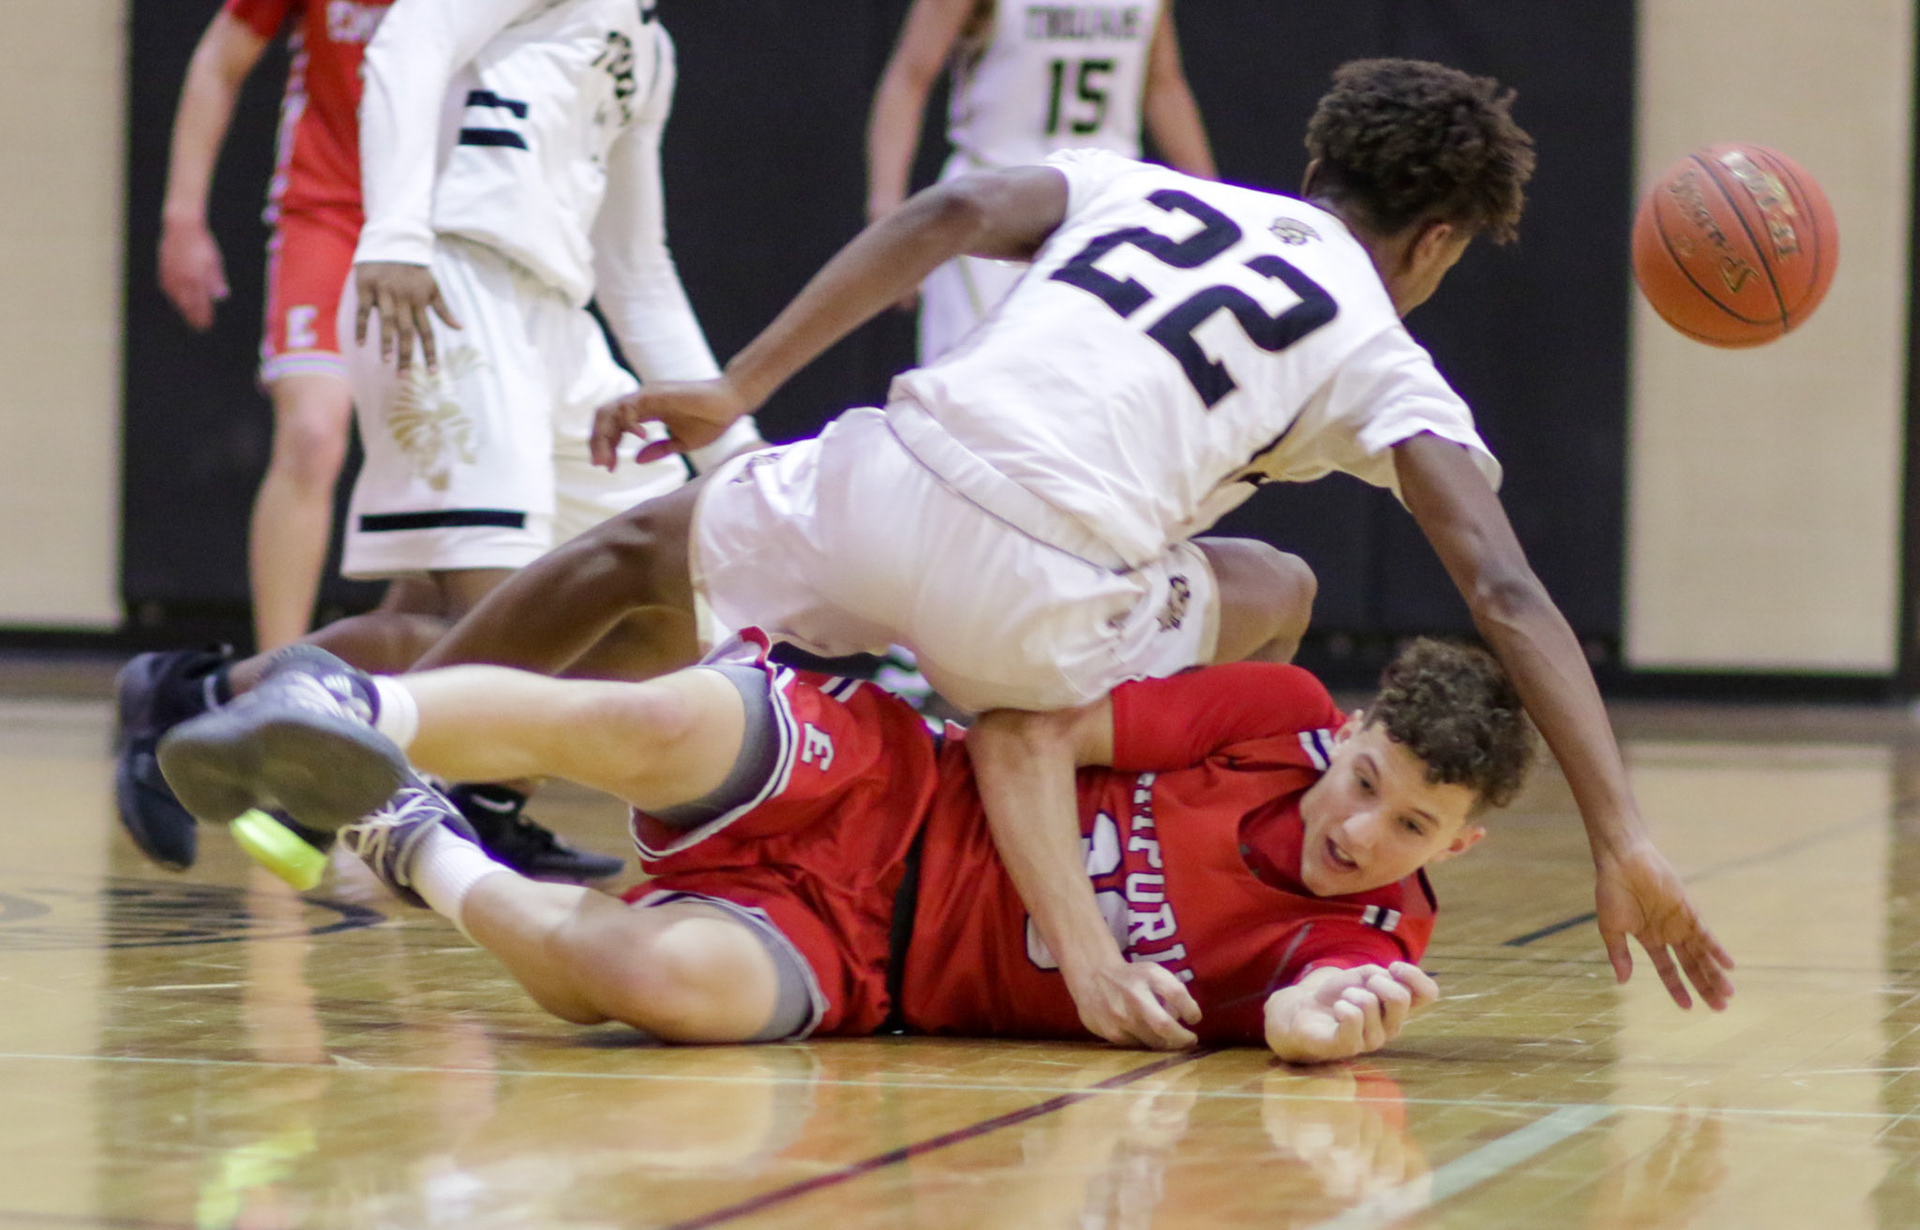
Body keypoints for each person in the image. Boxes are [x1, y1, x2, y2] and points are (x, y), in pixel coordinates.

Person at [416, 58, 1738, 1027]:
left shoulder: (1143, 185)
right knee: (1266, 597)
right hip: (1031, 590)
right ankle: (963, 727)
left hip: (890, 470)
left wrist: (736, 385)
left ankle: (405, 752)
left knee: (629, 558)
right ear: (1439, 241)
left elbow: (943, 217)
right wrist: (1620, 828)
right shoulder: (1383, 351)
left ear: (1316, 165)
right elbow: (1502, 587)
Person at [154, 635, 1535, 1059]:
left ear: (1459, 848)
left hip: (871, 961)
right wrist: (1100, 947)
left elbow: (1306, 1009)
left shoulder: (1374, 938)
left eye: (1411, 823)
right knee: (649, 721)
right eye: (1366, 779)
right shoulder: (1271, 717)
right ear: (1348, 729)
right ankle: (351, 703)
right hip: (892, 784)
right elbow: (1018, 734)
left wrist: (1313, 1025)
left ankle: (410, 841)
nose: (1362, 829)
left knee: (649, 987)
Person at [116, 0, 760, 881]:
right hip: (452, 289)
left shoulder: (649, 48)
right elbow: (406, 41)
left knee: (665, 607)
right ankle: (213, 707)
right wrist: (394, 235)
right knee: (496, 628)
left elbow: (637, 270)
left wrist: (740, 451)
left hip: (556, 324)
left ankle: (251, 714)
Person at [158, 0, 396, 653]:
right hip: (327, 212)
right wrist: (183, 215)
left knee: (440, 449)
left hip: (444, 217)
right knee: (313, 436)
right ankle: (276, 678)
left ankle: (448, 682)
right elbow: (217, 60)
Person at [868, 0, 1215, 360]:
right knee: (967, 392)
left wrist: (1212, 204)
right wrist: (886, 207)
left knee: (1088, 385)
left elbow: (1163, 85)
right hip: (994, 207)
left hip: (1102, 208)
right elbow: (910, 77)